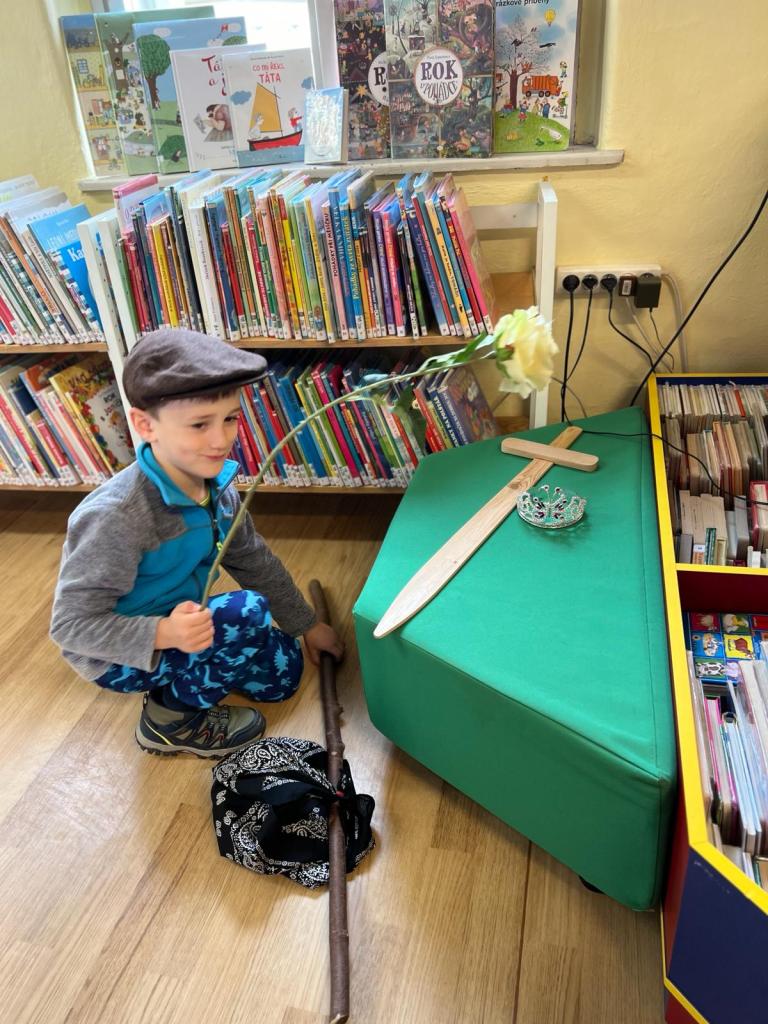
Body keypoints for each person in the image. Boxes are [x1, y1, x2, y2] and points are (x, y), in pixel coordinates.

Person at [50, 328, 344, 759]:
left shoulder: (215, 483)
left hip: (183, 617)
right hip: (119, 653)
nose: (220, 440)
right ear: (145, 425)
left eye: (230, 419)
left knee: (283, 678)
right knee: (248, 612)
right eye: (199, 425)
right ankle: (168, 719)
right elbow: (70, 628)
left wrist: (306, 625)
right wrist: (164, 633)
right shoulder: (116, 517)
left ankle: (189, 670)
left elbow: (252, 559)